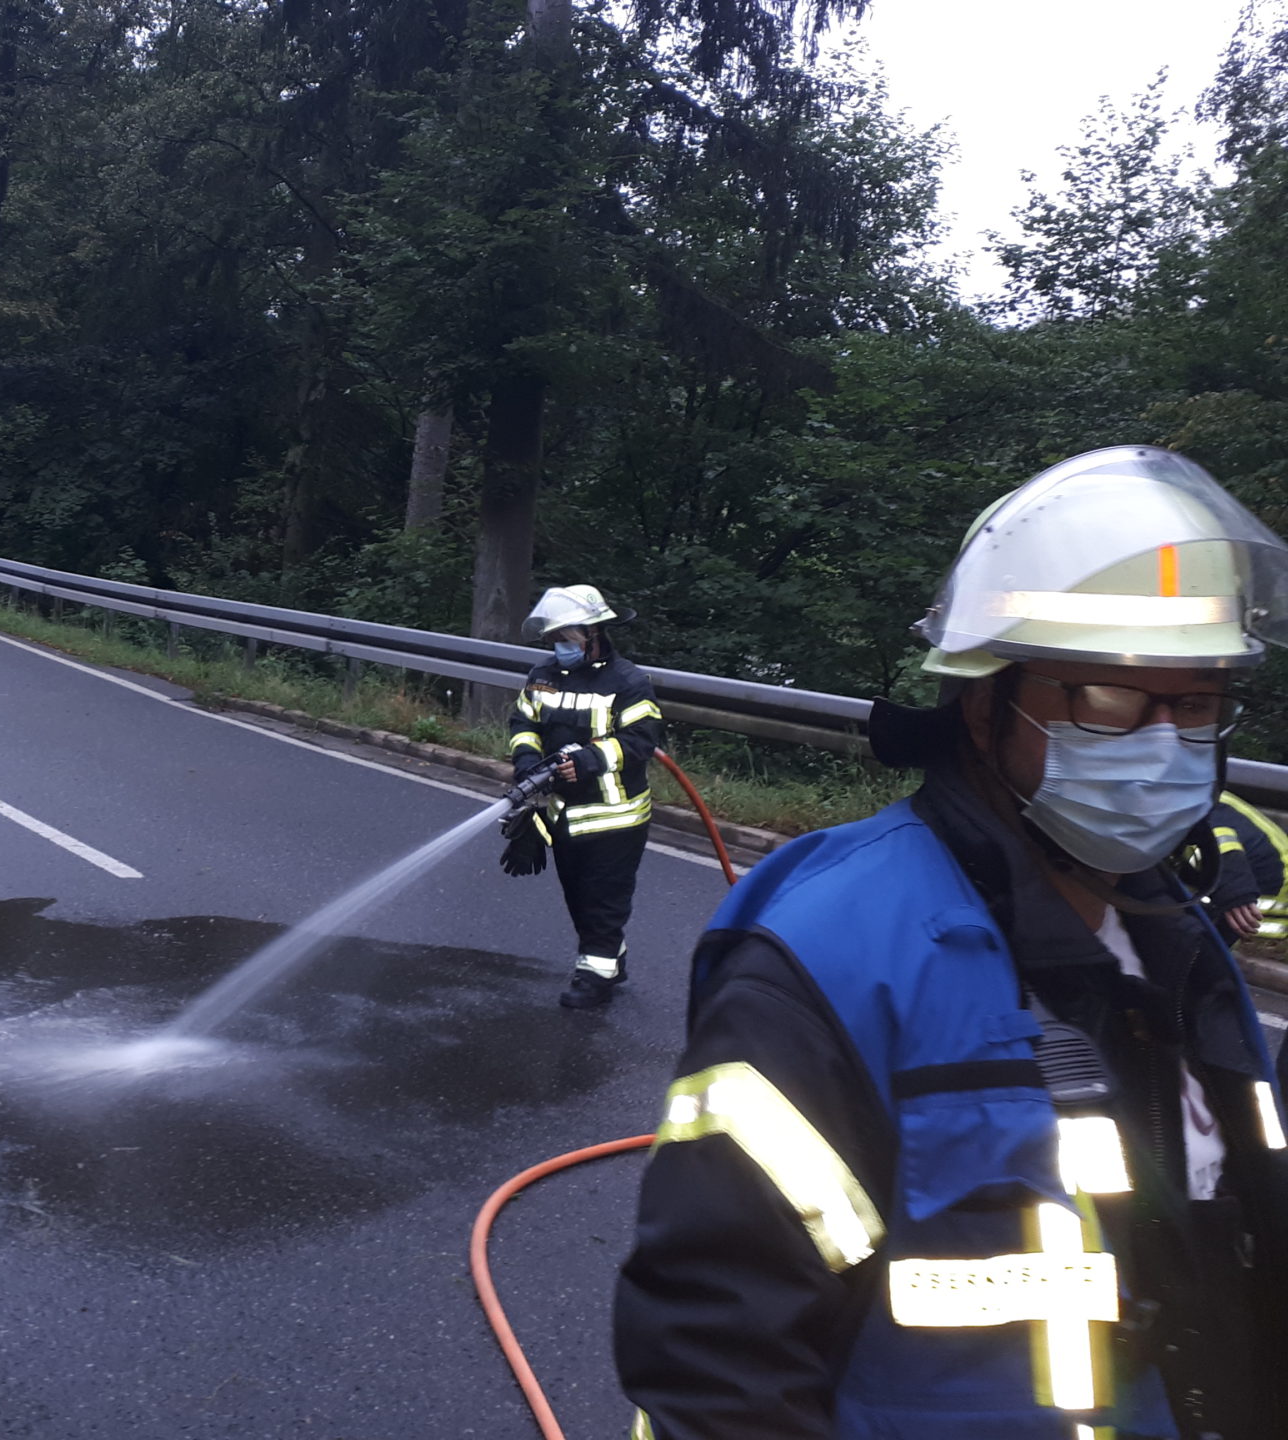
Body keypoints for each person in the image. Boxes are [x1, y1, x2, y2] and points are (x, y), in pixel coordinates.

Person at [615, 446, 1288, 1439]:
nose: (1162, 745)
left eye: (1195, 704)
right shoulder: (834, 953)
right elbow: (716, 1364)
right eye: (1108, 698)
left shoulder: (1176, 937)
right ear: (985, 706)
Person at [504, 583, 665, 1009]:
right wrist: (528, 762)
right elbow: (524, 723)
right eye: (554, 639)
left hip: (616, 817)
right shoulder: (542, 677)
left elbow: (642, 739)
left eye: (567, 638)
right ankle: (609, 953)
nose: (559, 647)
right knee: (578, 895)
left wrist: (590, 760)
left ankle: (596, 976)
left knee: (604, 898)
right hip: (565, 814)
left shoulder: (628, 682)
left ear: (593, 635)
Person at [1209, 790, 1288, 943]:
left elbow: (1219, 840)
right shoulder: (1200, 793)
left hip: (1265, 914)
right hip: (1258, 884)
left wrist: (1234, 891)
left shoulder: (1189, 805)